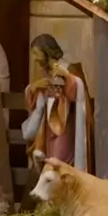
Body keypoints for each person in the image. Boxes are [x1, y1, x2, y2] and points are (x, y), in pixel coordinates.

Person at [23, 34, 89, 171]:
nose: (35, 59)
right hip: (48, 126)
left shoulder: (68, 68)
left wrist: (67, 76)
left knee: (60, 160)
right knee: (50, 160)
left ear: (47, 51)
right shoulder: (44, 71)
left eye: (37, 54)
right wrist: (34, 87)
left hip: (65, 126)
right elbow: (37, 98)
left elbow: (79, 92)